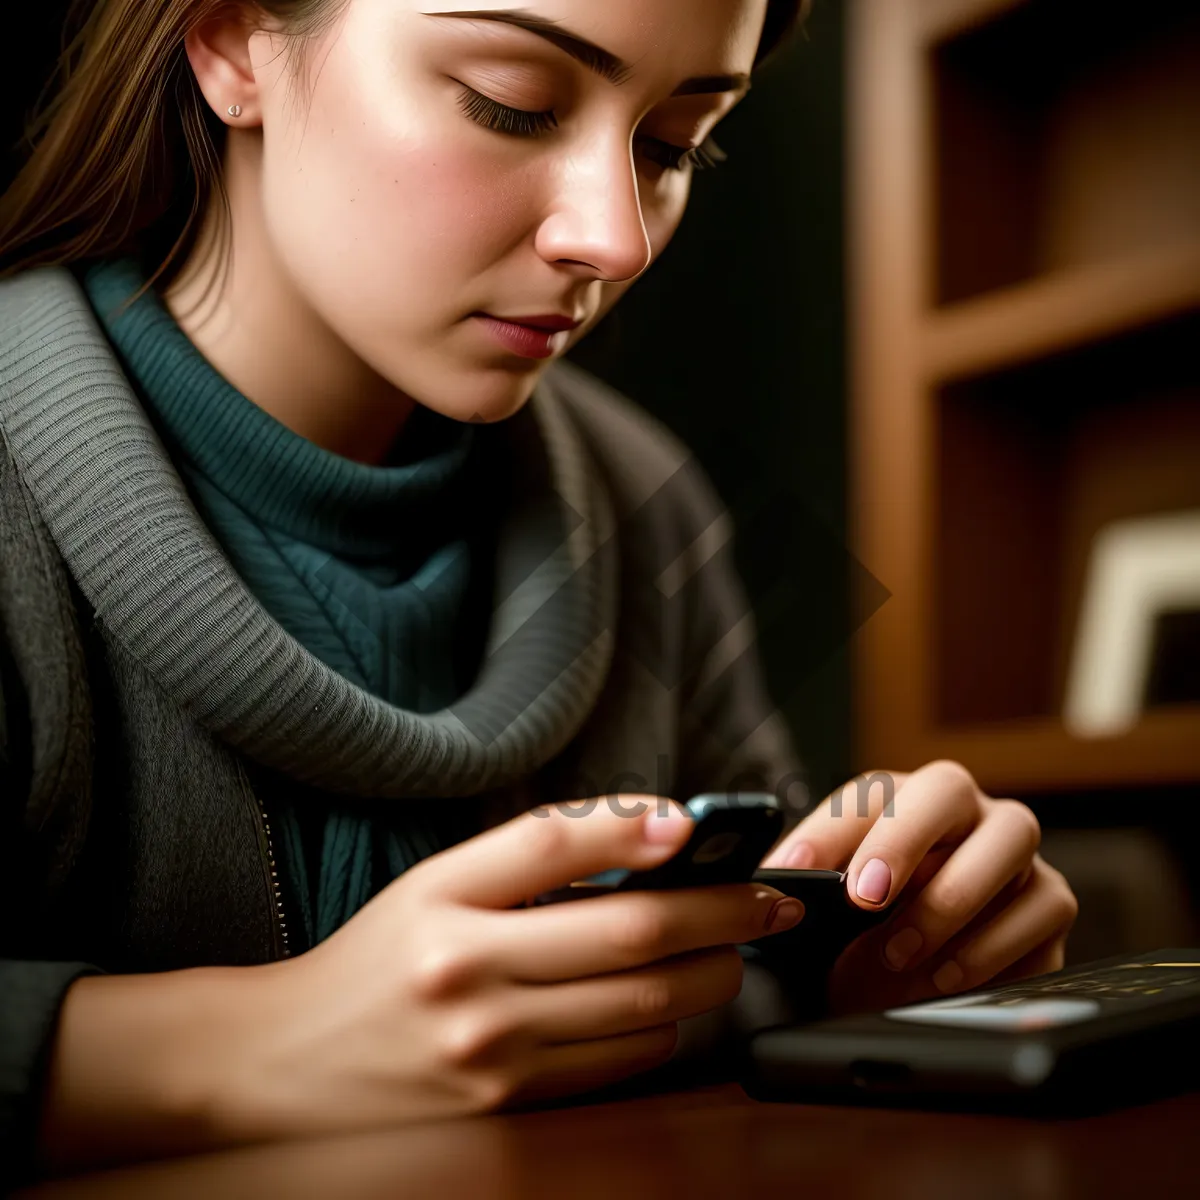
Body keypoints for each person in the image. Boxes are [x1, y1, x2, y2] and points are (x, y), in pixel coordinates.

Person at [0, 0, 1078, 1185]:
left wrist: (885, 969)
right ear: (227, 41)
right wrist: (226, 1053)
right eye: (511, 102)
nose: (616, 238)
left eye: (672, 145)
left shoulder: (650, 503)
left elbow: (764, 982)